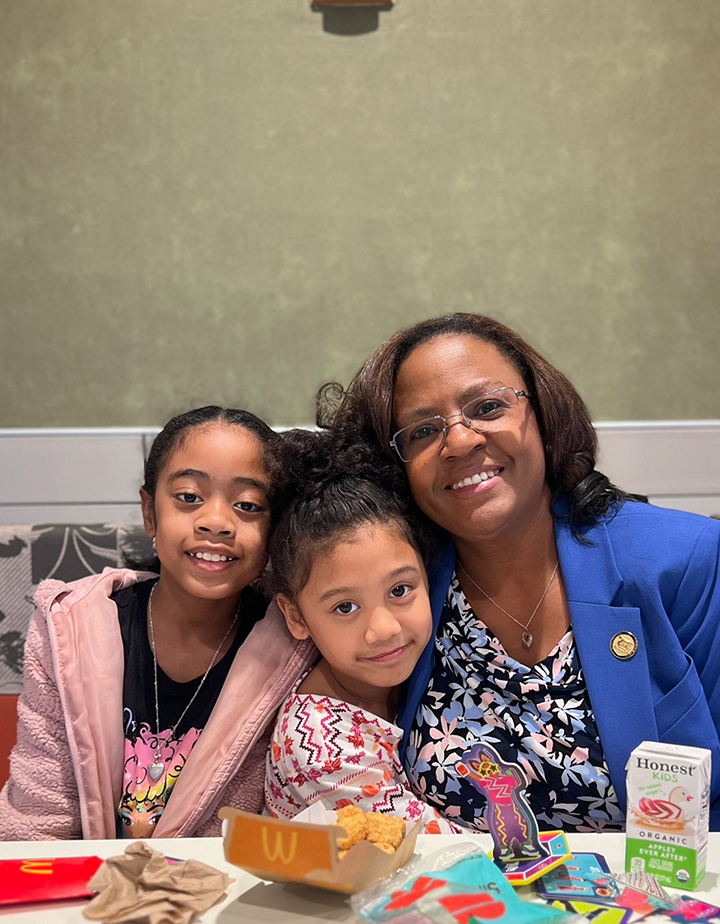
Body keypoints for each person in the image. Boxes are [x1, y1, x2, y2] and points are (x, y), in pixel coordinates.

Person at [318, 313, 720, 830]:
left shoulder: (681, 559)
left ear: (542, 411)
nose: (460, 442)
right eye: (422, 431)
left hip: (650, 902)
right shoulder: (395, 589)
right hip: (456, 902)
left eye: (487, 407)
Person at [0, 407, 313, 840]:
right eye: (189, 497)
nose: (216, 522)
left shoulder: (294, 648)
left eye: (247, 505)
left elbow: (265, 832)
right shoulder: (67, 630)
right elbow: (36, 823)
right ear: (150, 513)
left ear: (273, 528)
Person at [263, 434, 458, 834]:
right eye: (345, 607)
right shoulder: (320, 746)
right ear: (296, 616)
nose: (384, 629)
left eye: (400, 590)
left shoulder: (432, 661)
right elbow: (444, 852)